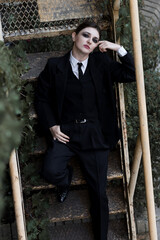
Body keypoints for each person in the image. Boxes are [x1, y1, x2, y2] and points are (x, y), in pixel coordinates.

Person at [35, 21, 135, 240]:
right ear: (74, 36)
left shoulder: (102, 64)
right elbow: (41, 98)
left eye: (95, 39)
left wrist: (118, 49)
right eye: (85, 35)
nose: (90, 41)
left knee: (99, 194)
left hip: (95, 135)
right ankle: (65, 178)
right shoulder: (55, 66)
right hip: (66, 133)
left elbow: (131, 74)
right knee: (50, 171)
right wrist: (51, 125)